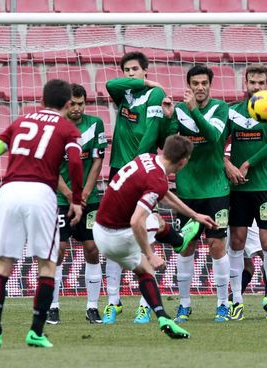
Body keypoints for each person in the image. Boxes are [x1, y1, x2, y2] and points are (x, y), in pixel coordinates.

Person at [0, 79, 84, 348]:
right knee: (47, 264)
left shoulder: (20, 122)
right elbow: (75, 161)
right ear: (66, 104)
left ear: (41, 101)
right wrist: (76, 198)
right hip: (40, 193)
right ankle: (36, 331)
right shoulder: (67, 128)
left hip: (10, 190)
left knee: (3, 263)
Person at [93, 134, 217, 339]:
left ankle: (163, 317)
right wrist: (150, 253)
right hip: (118, 236)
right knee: (155, 223)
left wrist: (194, 215)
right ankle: (179, 241)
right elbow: (136, 221)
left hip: (100, 230)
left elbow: (164, 193)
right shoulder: (157, 180)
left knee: (144, 271)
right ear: (184, 161)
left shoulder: (147, 158)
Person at [103, 51, 173, 324]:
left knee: (145, 233)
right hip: (117, 169)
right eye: (127, 70)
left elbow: (152, 132)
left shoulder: (156, 96)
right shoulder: (127, 93)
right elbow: (111, 86)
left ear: (146, 69)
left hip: (139, 170)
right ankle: (113, 301)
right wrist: (144, 83)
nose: (130, 73)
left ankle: (145, 304)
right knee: (112, 235)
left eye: (135, 69)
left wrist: (139, 164)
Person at [160, 64, 231, 323]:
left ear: (210, 85)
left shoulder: (221, 108)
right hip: (187, 190)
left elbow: (213, 137)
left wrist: (191, 111)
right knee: (185, 246)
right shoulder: (178, 111)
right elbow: (168, 145)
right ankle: (184, 304)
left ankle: (223, 304)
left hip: (215, 189)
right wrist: (168, 119)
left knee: (216, 246)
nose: (199, 88)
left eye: (204, 83)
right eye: (195, 83)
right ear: (188, 85)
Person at [225, 64, 267, 320]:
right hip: (239, 187)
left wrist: (247, 163)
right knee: (237, 242)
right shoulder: (232, 112)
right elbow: (219, 142)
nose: (256, 87)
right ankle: (237, 300)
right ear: (246, 82)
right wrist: (228, 164)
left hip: (266, 186)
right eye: (252, 82)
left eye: (261, 83)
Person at [46, 84, 107, 325]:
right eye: (73, 104)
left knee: (92, 249)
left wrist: (85, 193)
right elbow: (51, 168)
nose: (78, 108)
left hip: (88, 199)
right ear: (65, 104)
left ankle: (92, 307)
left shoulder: (95, 124)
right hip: (60, 199)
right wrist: (71, 195)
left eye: (82, 103)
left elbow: (97, 161)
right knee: (58, 251)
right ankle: (53, 306)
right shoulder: (54, 127)